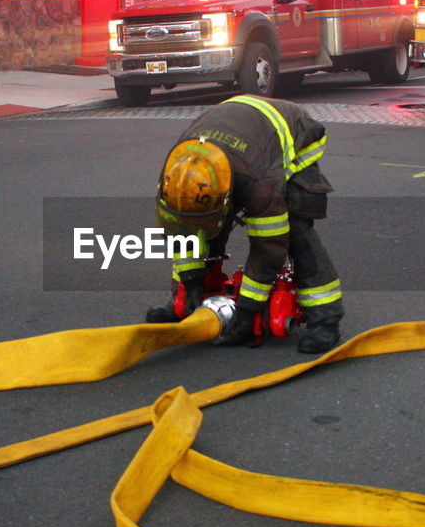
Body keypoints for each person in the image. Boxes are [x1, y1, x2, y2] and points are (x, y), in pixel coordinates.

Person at [147, 95, 343, 353]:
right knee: (205, 224)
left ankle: (325, 320)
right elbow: (181, 229)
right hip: (242, 139)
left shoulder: (259, 182)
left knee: (296, 231)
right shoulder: (179, 169)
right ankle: (184, 300)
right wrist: (190, 280)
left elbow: (270, 247)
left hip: (296, 136)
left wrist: (248, 309)